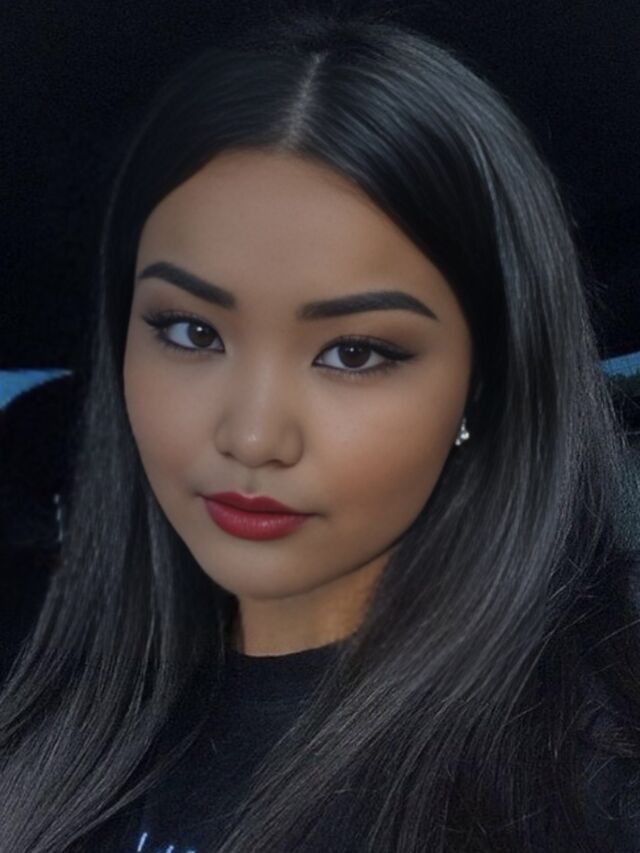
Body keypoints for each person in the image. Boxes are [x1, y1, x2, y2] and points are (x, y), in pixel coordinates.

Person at [1, 9, 640, 852]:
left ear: (483, 386)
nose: (253, 436)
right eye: (192, 332)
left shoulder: (591, 768)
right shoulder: (45, 704)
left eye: (353, 352)